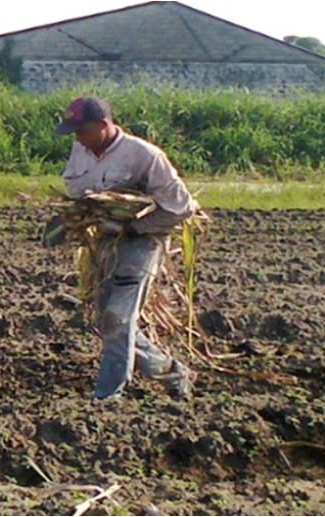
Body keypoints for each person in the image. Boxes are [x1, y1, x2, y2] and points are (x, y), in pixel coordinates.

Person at [45, 96, 199, 401]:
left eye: (82, 131)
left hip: (141, 243)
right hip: (104, 241)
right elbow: (76, 190)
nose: (77, 138)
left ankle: (107, 395)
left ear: (103, 126)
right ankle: (171, 370)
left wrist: (132, 225)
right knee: (106, 321)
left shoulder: (145, 156)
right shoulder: (82, 149)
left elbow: (182, 208)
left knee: (117, 317)